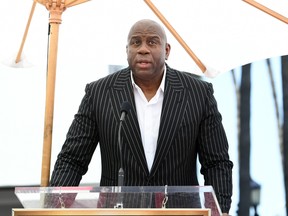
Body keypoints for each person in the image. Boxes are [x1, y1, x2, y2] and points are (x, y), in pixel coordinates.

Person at [49, 19, 233, 214]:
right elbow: (72, 160)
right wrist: (54, 208)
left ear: (167, 50)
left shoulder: (197, 93)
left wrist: (218, 211)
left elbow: (216, 163)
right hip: (118, 212)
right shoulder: (99, 93)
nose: (143, 49)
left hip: (179, 212)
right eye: (136, 42)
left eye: (152, 42)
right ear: (127, 49)